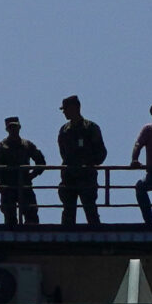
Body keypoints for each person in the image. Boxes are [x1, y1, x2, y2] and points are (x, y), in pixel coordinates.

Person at [56, 96, 107, 226]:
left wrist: (89, 164)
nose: (64, 112)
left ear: (75, 107)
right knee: (68, 212)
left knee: (90, 210)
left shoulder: (90, 128)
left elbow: (101, 153)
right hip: (69, 177)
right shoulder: (64, 130)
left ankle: (97, 238)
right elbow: (63, 153)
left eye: (66, 109)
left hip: (87, 177)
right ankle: (65, 241)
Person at [0, 117, 48, 226]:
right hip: (8, 187)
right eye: (11, 127)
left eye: (15, 127)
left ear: (19, 127)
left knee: (32, 218)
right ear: (7, 129)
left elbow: (41, 161)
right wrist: (0, 184)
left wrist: (32, 175)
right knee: (10, 220)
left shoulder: (27, 145)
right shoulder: (1, 147)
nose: (13, 130)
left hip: (25, 184)